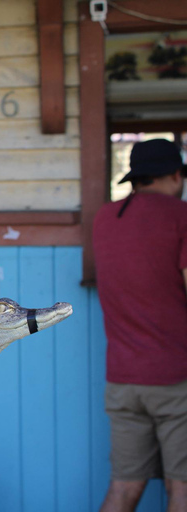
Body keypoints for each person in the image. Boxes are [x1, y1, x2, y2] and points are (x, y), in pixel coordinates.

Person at [93, 138, 187, 512]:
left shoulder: (106, 218)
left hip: (123, 380)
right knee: (181, 489)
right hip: (175, 378)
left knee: (124, 489)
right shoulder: (180, 215)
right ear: (176, 176)